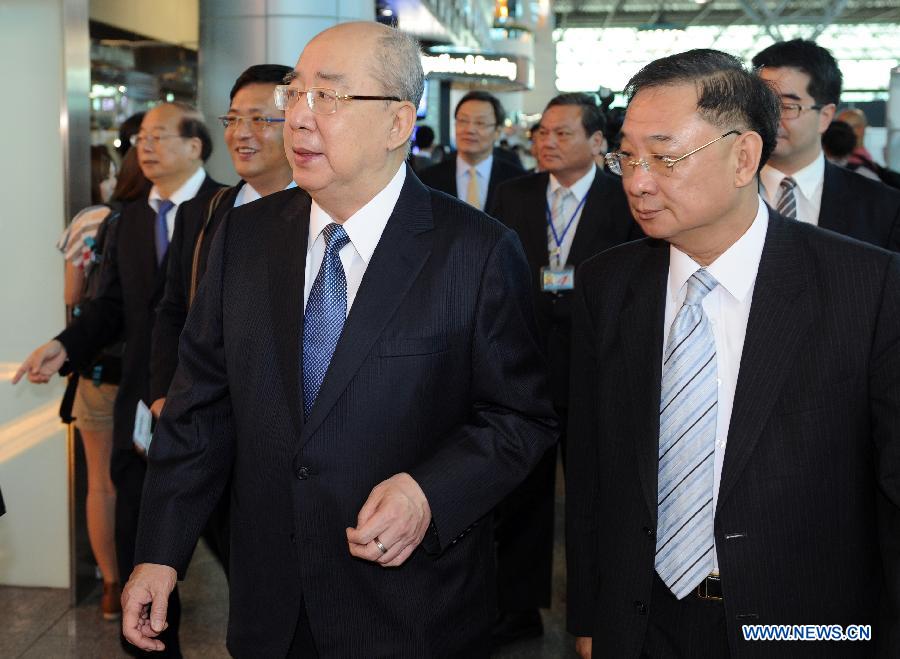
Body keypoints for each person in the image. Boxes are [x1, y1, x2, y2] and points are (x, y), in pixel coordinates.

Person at [121, 22, 556, 658]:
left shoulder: (476, 251)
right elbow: (197, 410)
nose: (298, 118)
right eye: (294, 95)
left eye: (329, 97)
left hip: (409, 611)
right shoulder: (243, 239)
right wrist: (160, 553)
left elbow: (519, 417)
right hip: (270, 606)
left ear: (398, 122)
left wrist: (430, 492)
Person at [566, 48, 900, 658]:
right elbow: (591, 464)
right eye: (628, 157)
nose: (638, 181)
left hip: (803, 625)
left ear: (744, 155)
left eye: (665, 158)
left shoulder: (866, 287)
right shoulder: (607, 284)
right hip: (643, 621)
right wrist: (589, 615)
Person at [14, 102, 222, 657]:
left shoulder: (229, 209)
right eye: (139, 139)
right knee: (140, 531)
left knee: (233, 538)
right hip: (139, 404)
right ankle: (152, 645)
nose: (144, 147)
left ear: (195, 146)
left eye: (158, 136)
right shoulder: (127, 218)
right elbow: (110, 307)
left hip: (217, 404)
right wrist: (64, 346)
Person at [488, 91, 641, 647]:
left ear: (597, 143)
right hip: (523, 367)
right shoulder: (513, 194)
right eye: (541, 133)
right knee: (521, 498)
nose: (546, 143)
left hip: (597, 368)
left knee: (595, 496)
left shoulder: (623, 197)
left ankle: (594, 610)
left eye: (561, 133)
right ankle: (517, 606)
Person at [148, 63, 296, 573]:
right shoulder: (206, 212)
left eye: (260, 120)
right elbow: (172, 311)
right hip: (208, 422)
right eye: (233, 119)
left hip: (284, 436)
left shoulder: (323, 216)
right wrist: (166, 393)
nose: (242, 134)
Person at [55, 145, 146, 622]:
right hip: (150, 372)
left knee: (101, 484)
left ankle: (112, 585)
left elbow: (72, 296)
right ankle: (150, 580)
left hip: (98, 368)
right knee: (151, 481)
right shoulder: (164, 219)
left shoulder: (92, 219)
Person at [752, 39, 900, 251]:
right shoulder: (720, 193)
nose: (770, 117)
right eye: (762, 103)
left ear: (825, 116)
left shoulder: (883, 209)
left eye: (787, 106)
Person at [419, 90, 524, 211]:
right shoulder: (427, 180)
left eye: (480, 123)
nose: (470, 130)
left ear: (497, 132)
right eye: (463, 121)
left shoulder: (517, 181)